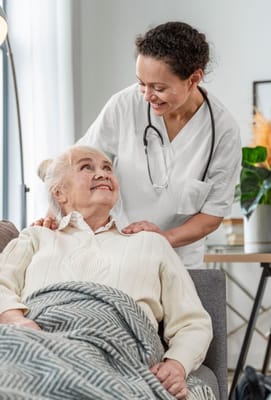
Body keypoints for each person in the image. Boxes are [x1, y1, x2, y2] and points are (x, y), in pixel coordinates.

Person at [0, 145, 213, 400]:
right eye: (86, 167)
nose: (102, 173)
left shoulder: (150, 242)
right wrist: (18, 321)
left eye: (107, 168)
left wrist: (176, 365)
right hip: (38, 342)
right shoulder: (36, 236)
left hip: (121, 351)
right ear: (60, 193)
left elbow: (194, 322)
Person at [75, 21, 242, 268]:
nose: (146, 95)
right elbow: (79, 162)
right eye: (141, 83)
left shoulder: (223, 131)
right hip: (114, 252)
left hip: (179, 263)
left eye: (159, 88)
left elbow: (211, 215)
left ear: (194, 78)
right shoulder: (124, 105)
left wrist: (163, 239)